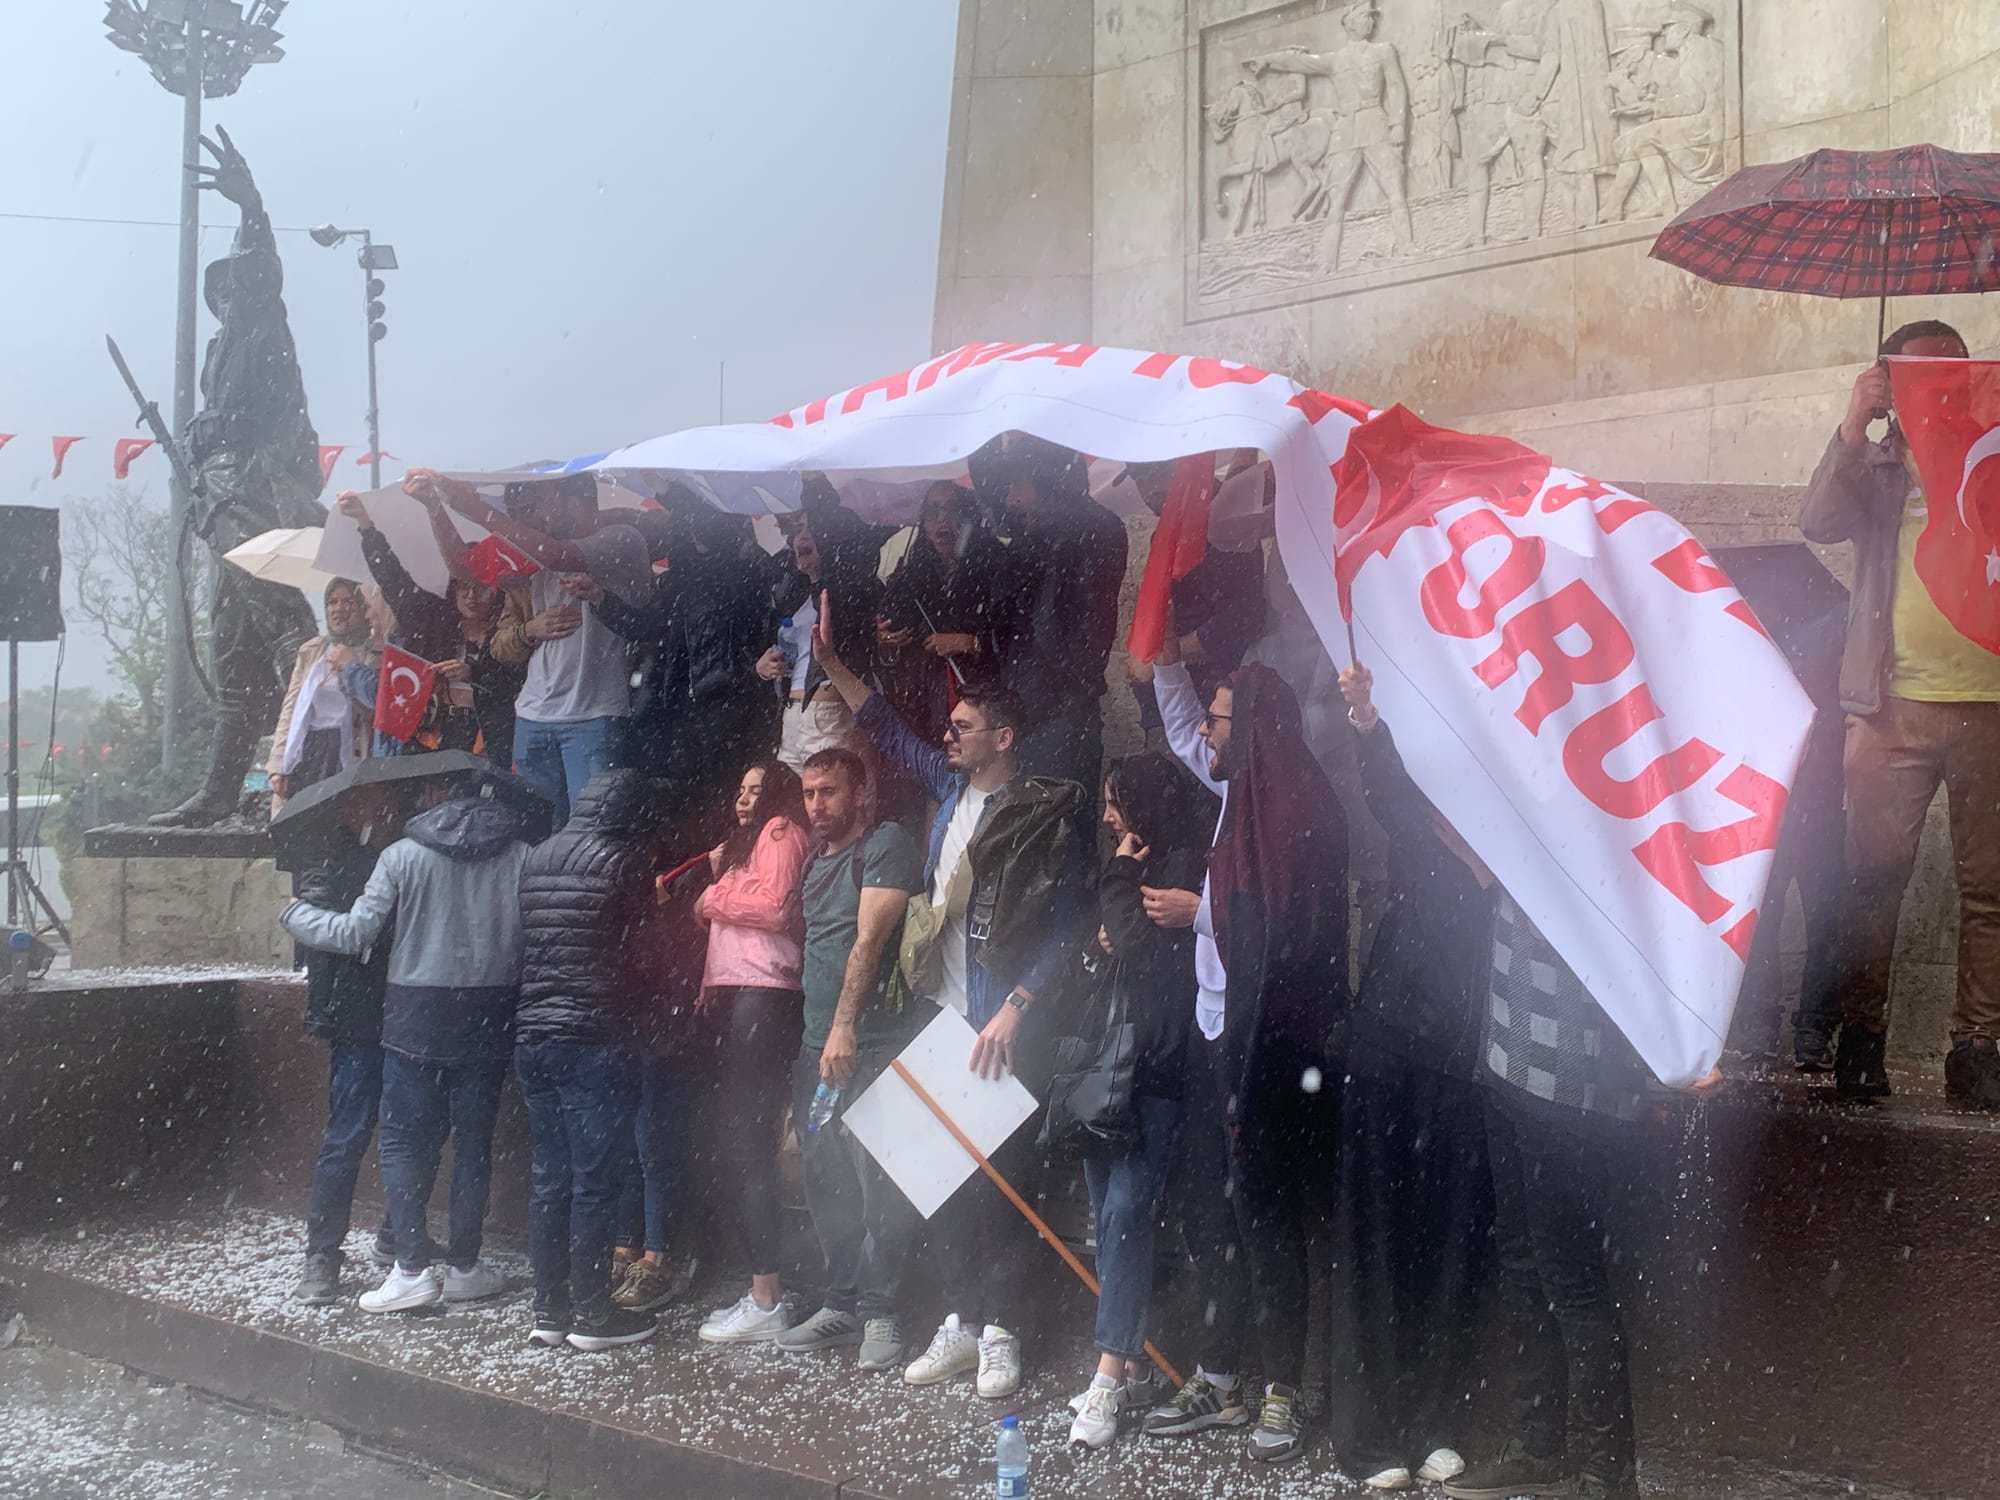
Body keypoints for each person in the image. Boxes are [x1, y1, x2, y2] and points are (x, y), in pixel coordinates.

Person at [815, 613, 1091, 1400]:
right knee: (937, 1180)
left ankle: (1002, 1331)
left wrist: (1019, 1005)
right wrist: (831, 662)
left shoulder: (1040, 811)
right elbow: (885, 726)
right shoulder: (944, 787)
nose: (948, 737)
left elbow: (1069, 921)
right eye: (951, 725)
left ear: (1003, 738)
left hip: (1001, 1025)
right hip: (938, 1015)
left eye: (964, 727)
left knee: (1003, 1181)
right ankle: (962, 1322)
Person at [1142, 640, 1348, 1466]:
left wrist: (1201, 913)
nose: (1208, 739)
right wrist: (1164, 663)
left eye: (1221, 724)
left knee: (1265, 1216)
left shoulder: (1302, 810)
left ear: (1255, 728)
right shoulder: (1243, 793)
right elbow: (1189, 730)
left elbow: (1290, 943)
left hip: (1273, 1047)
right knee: (1210, 1210)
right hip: (1216, 1026)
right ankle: (1219, 1376)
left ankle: (1284, 1389)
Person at [1799, 319, 2000, 1108]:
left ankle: (1977, 1045)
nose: (1935, 388)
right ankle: (1862, 1037)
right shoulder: (1876, 464)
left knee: (1989, 888)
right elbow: (1816, 522)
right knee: (1872, 880)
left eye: (1951, 373)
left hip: (1989, 701)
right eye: (1915, 376)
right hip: (1888, 705)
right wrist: (1852, 426)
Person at [280, 775, 531, 1313]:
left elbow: (353, 935)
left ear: (435, 801)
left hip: (411, 1016)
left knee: (400, 1143)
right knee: (470, 1146)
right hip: (486, 1016)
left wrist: (294, 913)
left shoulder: (401, 856)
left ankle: (409, 1264)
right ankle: (461, 1264)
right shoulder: (522, 856)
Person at [1333, 664, 1495, 1492]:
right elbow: (1385, 779)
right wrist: (1366, 717)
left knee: (1452, 1244)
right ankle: (1369, 1437)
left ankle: (1436, 1419)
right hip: (1390, 1052)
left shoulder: (1518, 852)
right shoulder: (1416, 816)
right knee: (1378, 1239)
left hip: (1466, 1068)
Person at [1065, 752, 1219, 1450]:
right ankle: (1127, 1365)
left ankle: (1106, 1371)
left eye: (1115, 801)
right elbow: (1112, 943)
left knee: (1127, 1210)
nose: (1107, 817)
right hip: (1111, 1064)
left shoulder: (1180, 862)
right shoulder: (1140, 863)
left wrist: (1120, 880)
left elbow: (1131, 937)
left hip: (1153, 1071)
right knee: (1108, 1213)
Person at [770, 748, 926, 1372]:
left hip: (872, 1043)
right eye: (809, 794)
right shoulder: (815, 860)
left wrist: (843, 1026)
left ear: (862, 793)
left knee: (879, 1183)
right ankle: (842, 1303)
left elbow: (870, 937)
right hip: (816, 1046)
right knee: (825, 1178)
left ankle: (884, 1311)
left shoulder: (885, 844)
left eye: (830, 792)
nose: (817, 805)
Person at [408, 469, 652, 827]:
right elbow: (465, 567)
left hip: (593, 715)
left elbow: (556, 556)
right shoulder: (533, 549)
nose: (521, 518)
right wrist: (434, 507)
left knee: (591, 833)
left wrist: (477, 509)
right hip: (533, 716)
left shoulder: (620, 538)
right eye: (514, 510)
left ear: (569, 500)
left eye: (531, 507)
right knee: (533, 831)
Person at [514, 770, 663, 1352]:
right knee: (594, 1184)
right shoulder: (621, 860)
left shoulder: (538, 855)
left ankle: (548, 1310)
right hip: (596, 1037)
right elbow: (640, 954)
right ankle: (594, 1315)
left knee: (549, 1180)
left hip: (534, 1035)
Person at [690, 761, 813, 1344]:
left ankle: (768, 1298)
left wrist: (714, 894)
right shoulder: (752, 843)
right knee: (742, 1145)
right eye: (739, 789)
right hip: (742, 995)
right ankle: (762, 1290)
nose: (744, 800)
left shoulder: (782, 832)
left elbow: (778, 909)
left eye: (755, 790)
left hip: (763, 995)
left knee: (750, 1142)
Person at [586, 492, 778, 830]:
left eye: (693, 521)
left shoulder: (747, 569)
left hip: (728, 712)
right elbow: (643, 625)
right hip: (680, 715)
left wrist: (749, 675)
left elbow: (763, 637)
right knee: (686, 811)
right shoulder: (679, 580)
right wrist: (600, 598)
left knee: (725, 807)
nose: (690, 532)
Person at [290, 780, 409, 1306]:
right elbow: (330, 934)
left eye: (387, 804)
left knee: (408, 1135)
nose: (380, 812)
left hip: (402, 1017)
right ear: (349, 809)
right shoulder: (330, 865)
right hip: (359, 1022)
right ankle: (323, 1252)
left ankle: (395, 1232)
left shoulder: (407, 860)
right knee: (348, 1136)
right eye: (369, 804)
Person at [972, 432, 1129, 805]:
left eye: (1019, 486)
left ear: (1048, 481)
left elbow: (1076, 645)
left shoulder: (1095, 532)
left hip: (1061, 722)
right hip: (1026, 718)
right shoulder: (1036, 539)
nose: (1012, 499)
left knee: (1059, 845)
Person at [335, 489, 529, 765]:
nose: (471, 595)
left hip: (492, 748)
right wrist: (366, 525)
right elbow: (393, 580)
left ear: (497, 589)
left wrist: (473, 673)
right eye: (464, 586)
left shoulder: (510, 630)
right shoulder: (434, 620)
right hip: (429, 748)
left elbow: (514, 681)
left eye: (481, 586)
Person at [1121, 456, 1268, 733]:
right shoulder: (1169, 528)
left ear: (1184, 468)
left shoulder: (1222, 523)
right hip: (1178, 693)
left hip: (1212, 698)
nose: (1146, 490)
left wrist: (1161, 659)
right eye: (1138, 480)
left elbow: (1241, 618)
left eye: (1154, 475)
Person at [764, 519, 879, 778]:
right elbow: (777, 647)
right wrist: (761, 668)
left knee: (842, 807)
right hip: (792, 713)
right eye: (796, 531)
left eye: (809, 528)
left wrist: (818, 574)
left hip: (829, 711)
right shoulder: (791, 591)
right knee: (797, 808)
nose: (801, 538)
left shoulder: (845, 585)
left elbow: (846, 628)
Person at [267, 577, 373, 810]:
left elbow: (376, 708)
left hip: (349, 748)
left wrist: (351, 672)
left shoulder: (375, 651)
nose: (339, 609)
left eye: (348, 601)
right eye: (332, 602)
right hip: (309, 750)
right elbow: (291, 707)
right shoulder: (313, 651)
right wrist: (278, 764)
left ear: (363, 607)